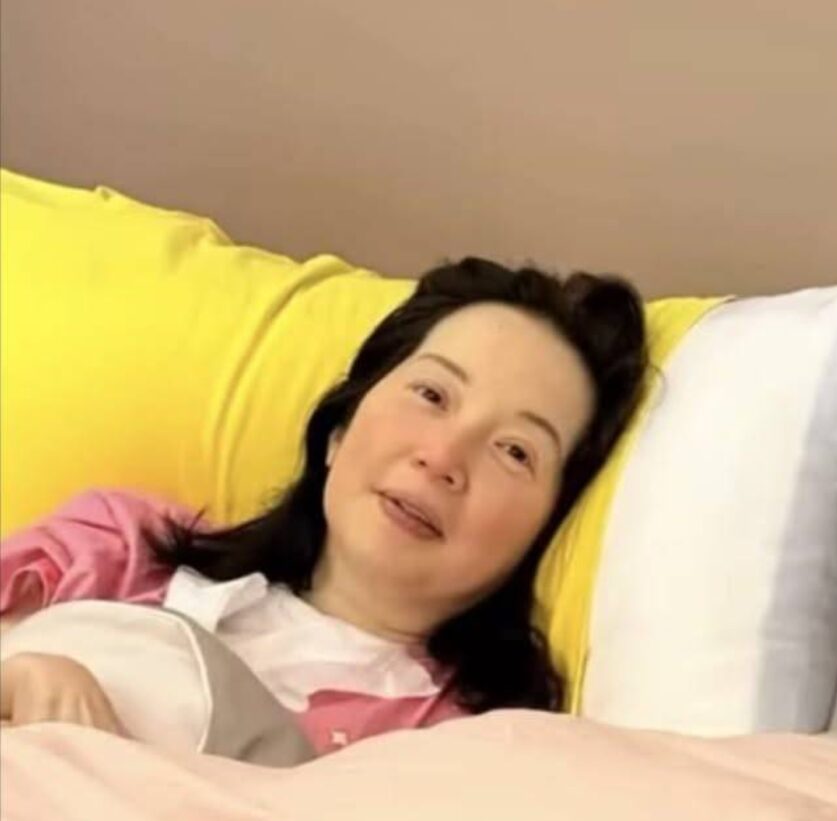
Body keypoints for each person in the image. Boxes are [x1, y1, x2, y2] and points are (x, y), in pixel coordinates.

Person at [0, 257, 647, 755]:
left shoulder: (466, 750)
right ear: (339, 427)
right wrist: (24, 679)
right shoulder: (115, 545)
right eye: (431, 394)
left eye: (514, 451)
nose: (443, 458)